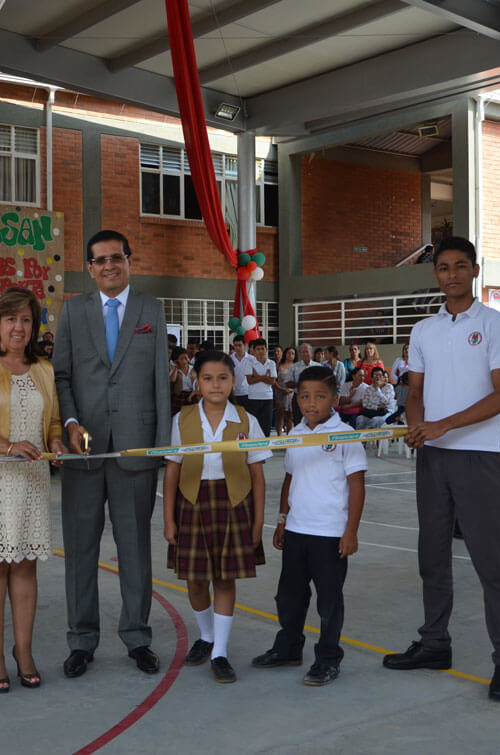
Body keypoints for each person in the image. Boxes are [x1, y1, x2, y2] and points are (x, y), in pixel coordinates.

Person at [384, 236, 500, 704]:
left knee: (493, 561)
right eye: (443, 267)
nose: (452, 275)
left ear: (475, 270)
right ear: (436, 274)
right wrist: (417, 421)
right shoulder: (423, 330)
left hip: (478, 458)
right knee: (432, 555)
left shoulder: (497, 326)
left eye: (461, 266)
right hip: (432, 458)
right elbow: (416, 389)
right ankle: (434, 643)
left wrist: (444, 424)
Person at [52, 229, 171, 679]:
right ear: (89, 267)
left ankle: (137, 637)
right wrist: (68, 424)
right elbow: (61, 376)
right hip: (84, 454)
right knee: (81, 550)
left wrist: (158, 448)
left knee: (135, 549)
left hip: (136, 451)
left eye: (115, 258)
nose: (108, 266)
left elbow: (161, 380)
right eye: (99, 260)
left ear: (128, 260)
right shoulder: (73, 310)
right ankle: (81, 640)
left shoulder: (151, 310)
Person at [0, 287, 68, 692]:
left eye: (25, 320)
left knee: (24, 566)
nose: (19, 327)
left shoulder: (44, 369)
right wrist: (8, 447)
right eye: (11, 319)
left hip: (31, 480)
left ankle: (24, 651)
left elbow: (52, 421)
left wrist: (55, 443)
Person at [252, 365, 366, 686]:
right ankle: (289, 647)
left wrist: (351, 531)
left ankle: (328, 658)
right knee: (288, 596)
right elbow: (291, 478)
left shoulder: (345, 435)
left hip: (330, 535)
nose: (311, 403)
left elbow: (357, 485)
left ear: (335, 398)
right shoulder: (296, 434)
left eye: (319, 396)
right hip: (297, 531)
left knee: (328, 601)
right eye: (304, 396)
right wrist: (282, 519)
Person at [163, 351, 269, 683]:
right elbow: (170, 472)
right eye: (207, 378)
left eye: (222, 377)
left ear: (233, 381)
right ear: (197, 380)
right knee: (195, 579)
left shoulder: (247, 420)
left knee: (224, 578)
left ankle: (220, 652)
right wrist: (169, 519)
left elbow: (258, 476)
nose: (215, 384)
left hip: (234, 502)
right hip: (192, 503)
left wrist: (257, 522)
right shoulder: (181, 420)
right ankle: (206, 636)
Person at [242, 338, 282, 437]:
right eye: (258, 349)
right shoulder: (249, 362)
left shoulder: (271, 363)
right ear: (254, 351)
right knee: (254, 425)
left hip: (267, 398)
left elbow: (272, 381)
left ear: (266, 350)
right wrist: (264, 377)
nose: (260, 351)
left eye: (262, 349)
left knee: (266, 425)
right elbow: (249, 381)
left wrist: (257, 376)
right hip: (253, 397)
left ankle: (265, 448)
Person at [276, 347, 298, 433]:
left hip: (292, 394)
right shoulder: (279, 366)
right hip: (280, 393)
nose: (290, 355)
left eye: (293, 353)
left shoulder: (296, 366)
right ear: (285, 354)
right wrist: (281, 389)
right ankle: (279, 438)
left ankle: (289, 438)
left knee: (290, 417)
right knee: (280, 416)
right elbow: (274, 381)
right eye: (289, 353)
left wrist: (292, 389)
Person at [169, 347, 196, 415]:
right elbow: (172, 380)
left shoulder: (192, 369)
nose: (185, 361)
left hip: (191, 396)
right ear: (176, 361)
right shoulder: (175, 371)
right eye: (181, 359)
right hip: (179, 396)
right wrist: (176, 369)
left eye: (186, 358)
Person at [230, 334, 250, 406]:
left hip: (248, 393)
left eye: (239, 345)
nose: (237, 348)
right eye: (235, 345)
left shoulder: (251, 359)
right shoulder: (230, 359)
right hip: (234, 393)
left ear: (244, 345)